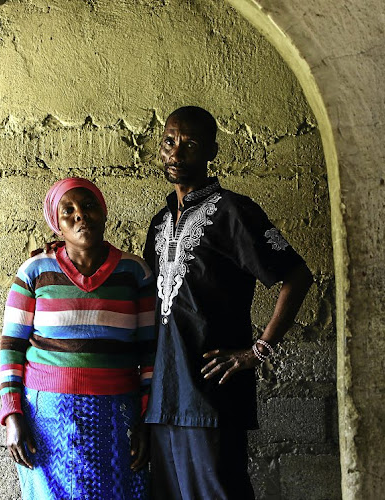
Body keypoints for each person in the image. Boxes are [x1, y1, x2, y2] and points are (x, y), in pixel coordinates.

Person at [142, 106, 314, 499]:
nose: (176, 153)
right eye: (170, 142)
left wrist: (258, 351)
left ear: (211, 153)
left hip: (211, 396)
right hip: (164, 399)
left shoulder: (234, 212)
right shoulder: (159, 223)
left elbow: (297, 276)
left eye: (190, 144)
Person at [0, 177, 156, 500]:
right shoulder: (34, 272)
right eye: (68, 210)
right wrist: (12, 414)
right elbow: (11, 348)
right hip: (47, 420)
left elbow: (151, 352)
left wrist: (146, 418)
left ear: (104, 213)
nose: (80, 215)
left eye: (89, 206)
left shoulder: (135, 273)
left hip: (117, 415)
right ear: (57, 225)